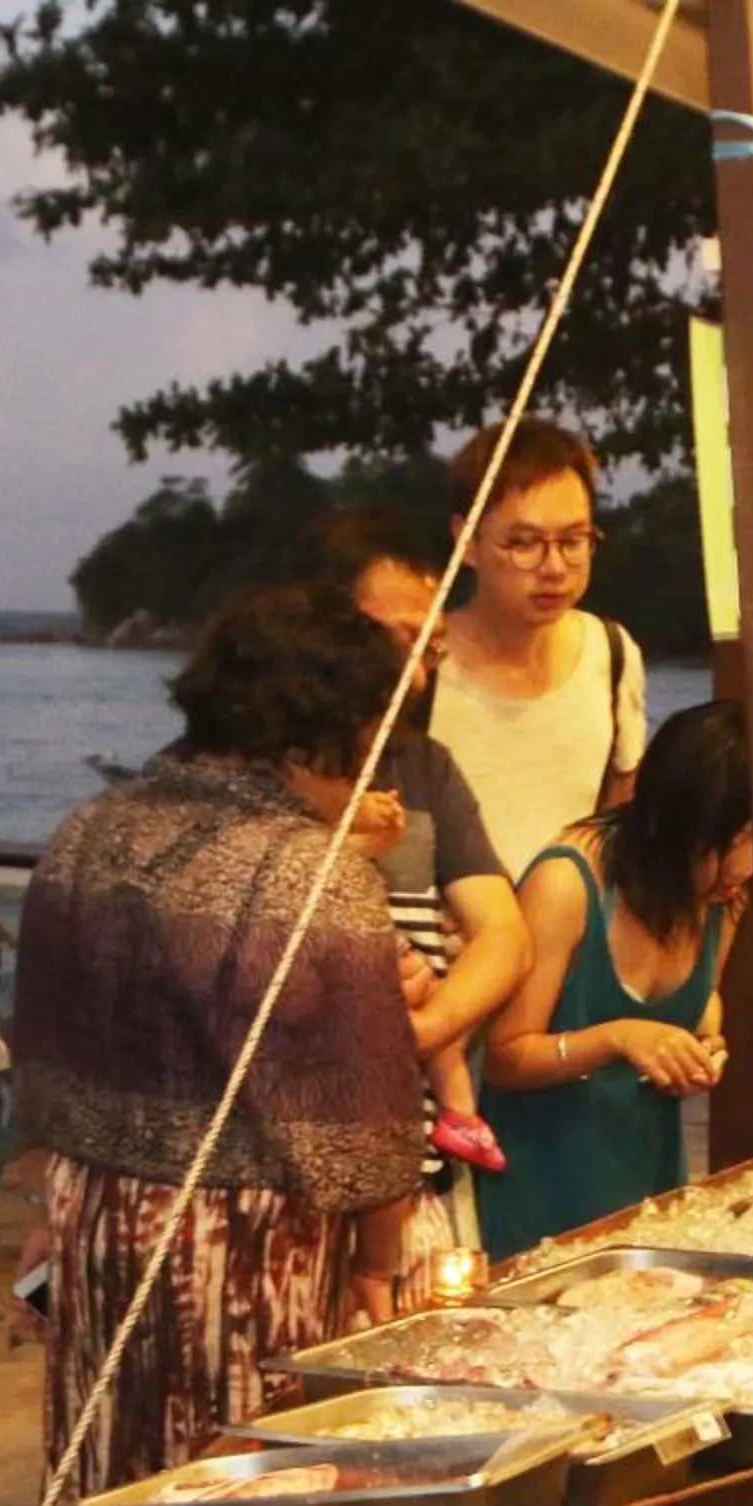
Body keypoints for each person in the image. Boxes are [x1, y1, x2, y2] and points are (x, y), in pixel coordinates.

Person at [5, 586, 430, 1506]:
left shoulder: (87, 832)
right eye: (373, 728)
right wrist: (381, 1262)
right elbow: (365, 1110)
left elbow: (46, 1055)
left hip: (97, 1215)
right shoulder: (307, 870)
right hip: (241, 1241)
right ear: (322, 728)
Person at [292, 509, 535, 1242]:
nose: (416, 668)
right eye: (395, 637)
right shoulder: (261, 766)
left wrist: (428, 1027)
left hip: (414, 1147)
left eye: (430, 647)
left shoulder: (425, 766)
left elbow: (503, 933)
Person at [476, 701, 752, 1261]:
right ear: (671, 825)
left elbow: (703, 1005)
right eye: (725, 847)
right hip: (539, 1198)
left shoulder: (724, 894)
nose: (742, 869)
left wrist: (704, 1050)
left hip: (649, 1197)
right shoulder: (567, 883)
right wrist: (616, 1037)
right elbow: (504, 1058)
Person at [427, 418, 648, 872]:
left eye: (573, 541)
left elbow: (618, 820)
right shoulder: (422, 665)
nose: (553, 567)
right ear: (467, 542)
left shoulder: (612, 653)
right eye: (524, 543)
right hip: (456, 938)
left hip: (573, 935)